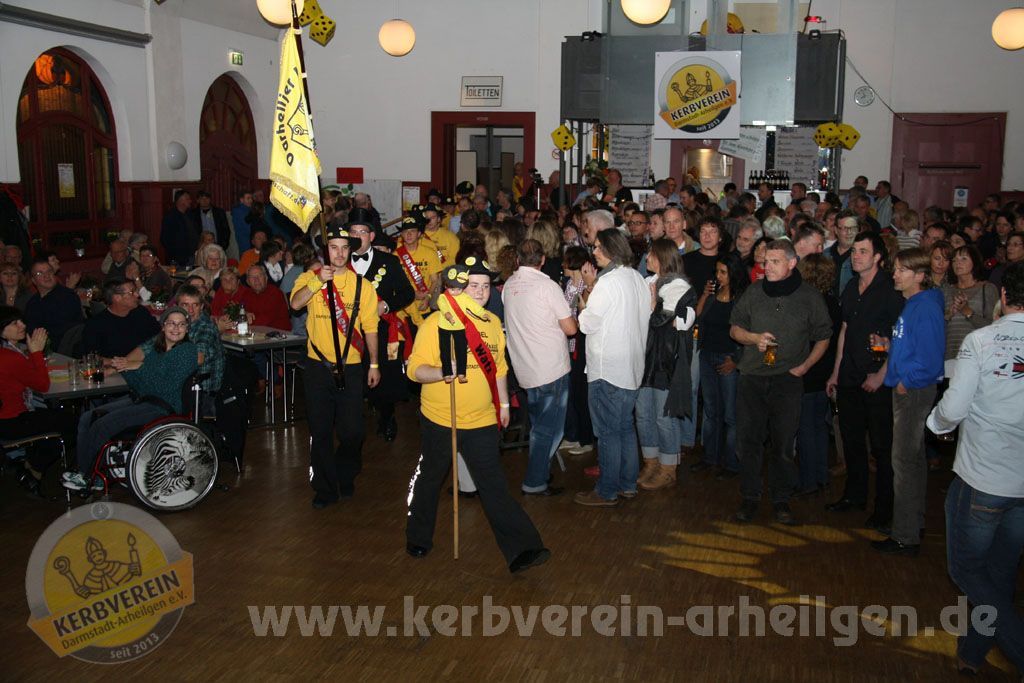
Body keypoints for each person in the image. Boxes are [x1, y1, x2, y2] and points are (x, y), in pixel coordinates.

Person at [405, 255, 550, 574]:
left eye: (486, 286)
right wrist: (443, 371)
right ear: (459, 287)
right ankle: (418, 536)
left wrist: (503, 405)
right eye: (474, 285)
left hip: (481, 420)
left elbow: (499, 368)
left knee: (494, 485)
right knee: (430, 478)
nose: (481, 291)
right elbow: (414, 370)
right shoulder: (435, 323)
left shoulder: (492, 324)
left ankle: (523, 549)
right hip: (440, 418)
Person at [927, 262, 1024, 678]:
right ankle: (973, 650)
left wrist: (934, 424)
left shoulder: (982, 340)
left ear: (1003, 296)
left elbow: (952, 409)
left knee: (965, 569)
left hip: (983, 477)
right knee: (999, 574)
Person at [729, 239, 833, 525]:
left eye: (775, 262)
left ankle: (781, 498)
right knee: (748, 442)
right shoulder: (754, 291)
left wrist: (805, 366)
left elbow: (824, 335)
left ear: (792, 263)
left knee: (784, 444)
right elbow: (735, 329)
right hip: (752, 377)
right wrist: (754, 338)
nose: (768, 267)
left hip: (787, 380)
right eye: (766, 261)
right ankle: (750, 497)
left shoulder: (809, 296)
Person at [289, 221, 381, 508]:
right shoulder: (309, 277)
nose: (339, 253)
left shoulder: (362, 286)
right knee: (320, 431)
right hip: (317, 366)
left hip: (351, 367)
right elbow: (295, 304)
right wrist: (318, 281)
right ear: (325, 251)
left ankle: (345, 473)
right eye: (333, 248)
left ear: (350, 251)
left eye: (344, 248)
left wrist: (374, 364)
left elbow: (371, 328)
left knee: (353, 431)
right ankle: (325, 488)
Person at [63, 307, 201, 491]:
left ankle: (89, 477)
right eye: (171, 323)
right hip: (144, 399)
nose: (176, 328)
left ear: (187, 329)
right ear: (163, 326)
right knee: (88, 417)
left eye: (181, 324)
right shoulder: (156, 348)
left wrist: (137, 366)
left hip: (164, 406)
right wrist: (125, 368)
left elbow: (165, 386)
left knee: (102, 425)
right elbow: (140, 383)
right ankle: (84, 470)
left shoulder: (187, 351)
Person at [825, 232, 905, 532]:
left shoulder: (890, 291)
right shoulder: (850, 286)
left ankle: (884, 509)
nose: (856, 256)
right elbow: (844, 331)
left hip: (877, 378)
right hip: (850, 375)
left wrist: (881, 374)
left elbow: (900, 338)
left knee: (882, 448)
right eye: (854, 251)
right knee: (852, 441)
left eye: (863, 251)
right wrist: (836, 372)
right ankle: (854, 496)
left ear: (878, 257)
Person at [868, 247, 945, 556]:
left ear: (920, 276)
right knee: (912, 460)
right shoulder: (914, 304)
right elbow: (914, 345)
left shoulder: (925, 307)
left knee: (903, 462)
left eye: (902, 270)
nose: (895, 275)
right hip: (908, 388)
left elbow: (930, 359)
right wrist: (891, 346)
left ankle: (905, 535)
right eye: (896, 269)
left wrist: (905, 381)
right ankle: (912, 523)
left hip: (912, 392)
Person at [573, 229, 650, 507]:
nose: (593, 252)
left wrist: (585, 295)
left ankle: (606, 490)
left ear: (609, 248)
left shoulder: (607, 282)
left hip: (608, 368)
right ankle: (627, 484)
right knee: (625, 428)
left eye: (597, 247)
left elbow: (587, 324)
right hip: (631, 366)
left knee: (608, 432)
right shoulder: (637, 278)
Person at [502, 239, 577, 496]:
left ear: (518, 259)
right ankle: (534, 481)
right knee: (549, 429)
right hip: (550, 367)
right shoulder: (548, 286)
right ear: (542, 259)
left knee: (539, 425)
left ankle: (541, 470)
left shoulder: (509, 285)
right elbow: (571, 329)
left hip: (525, 367)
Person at [346, 211, 415, 441]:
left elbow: (407, 293)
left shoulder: (388, 261)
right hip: (349, 331)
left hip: (381, 329)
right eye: (353, 232)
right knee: (354, 376)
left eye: (362, 232)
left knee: (383, 376)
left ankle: (387, 417)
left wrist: (385, 305)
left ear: (372, 236)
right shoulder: (340, 262)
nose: (357, 236)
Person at [635, 239, 696, 491]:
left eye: (650, 254)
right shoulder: (649, 282)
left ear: (661, 257)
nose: (646, 258)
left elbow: (665, 321)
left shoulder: (678, 286)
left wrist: (652, 307)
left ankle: (668, 467)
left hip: (665, 361)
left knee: (663, 416)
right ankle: (650, 463)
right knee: (643, 414)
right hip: (645, 357)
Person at [0, 308, 76, 495]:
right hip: (12, 421)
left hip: (8, 418)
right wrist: (36, 353)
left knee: (54, 416)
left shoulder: (9, 352)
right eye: (14, 323)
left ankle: (28, 463)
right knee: (74, 422)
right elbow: (42, 385)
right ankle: (35, 468)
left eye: (21, 321)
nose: (22, 325)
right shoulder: (10, 357)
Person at [696, 252, 748, 480]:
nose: (718, 276)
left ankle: (733, 463)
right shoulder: (714, 293)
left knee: (730, 415)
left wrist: (736, 360)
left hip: (728, 357)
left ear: (734, 274)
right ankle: (711, 457)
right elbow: (699, 316)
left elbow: (748, 332)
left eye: (723, 272)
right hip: (707, 354)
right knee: (711, 410)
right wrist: (705, 295)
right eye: (717, 271)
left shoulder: (742, 298)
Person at [794, 254, 841, 496]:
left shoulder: (805, 303)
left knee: (804, 428)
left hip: (806, 369)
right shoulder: (833, 303)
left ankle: (808, 481)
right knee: (819, 426)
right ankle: (821, 476)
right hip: (826, 371)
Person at [941, 245, 998, 378]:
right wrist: (948, 315)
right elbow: (938, 328)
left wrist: (968, 312)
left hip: (978, 356)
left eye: (964, 259)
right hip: (950, 356)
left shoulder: (987, 288)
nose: (958, 263)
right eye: (954, 260)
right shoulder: (946, 290)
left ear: (975, 262)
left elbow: (995, 327)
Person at [81, 278, 160, 358]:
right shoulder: (97, 325)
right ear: (117, 298)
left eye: (136, 290)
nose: (137, 294)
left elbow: (158, 335)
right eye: (132, 292)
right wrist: (115, 363)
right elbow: (90, 356)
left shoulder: (140, 312)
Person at [23, 257, 84, 350]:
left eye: (49, 271)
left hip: (60, 350)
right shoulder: (33, 301)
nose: (46, 276)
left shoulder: (67, 297)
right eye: (40, 273)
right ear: (33, 280)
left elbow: (61, 332)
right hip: (36, 347)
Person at [395, 211, 443, 328]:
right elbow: (393, 285)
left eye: (412, 231)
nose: (409, 234)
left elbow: (435, 280)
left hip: (423, 306)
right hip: (402, 309)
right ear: (401, 234)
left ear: (419, 234)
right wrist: (411, 294)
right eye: (405, 231)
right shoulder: (395, 256)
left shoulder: (430, 253)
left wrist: (428, 298)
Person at [160, 190, 200, 268]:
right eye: (187, 199)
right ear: (180, 201)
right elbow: (165, 239)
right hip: (178, 259)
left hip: (192, 255)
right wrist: (177, 254)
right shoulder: (171, 217)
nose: (190, 201)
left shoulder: (190, 215)